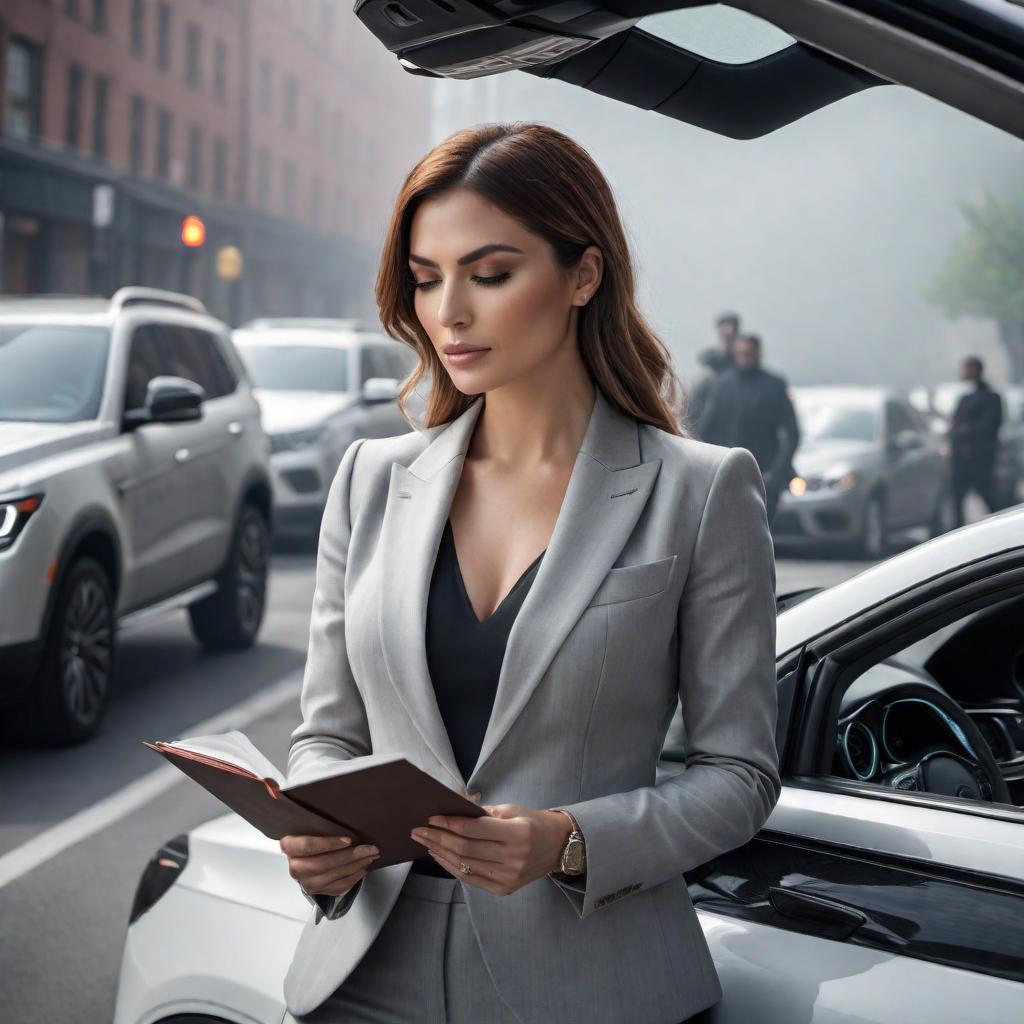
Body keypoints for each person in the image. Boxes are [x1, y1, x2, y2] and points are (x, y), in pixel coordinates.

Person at [278, 123, 780, 1024]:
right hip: (361, 976)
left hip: (590, 983)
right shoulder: (368, 480)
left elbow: (739, 775)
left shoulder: (702, 491)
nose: (449, 314)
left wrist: (567, 841)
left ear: (583, 275)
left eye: (491, 273)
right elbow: (327, 736)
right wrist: (318, 827)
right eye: (427, 280)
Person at [696, 332, 800, 523]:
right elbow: (705, 430)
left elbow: (792, 433)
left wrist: (776, 473)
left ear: (758, 354)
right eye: (740, 353)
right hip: (729, 469)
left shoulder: (774, 385)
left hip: (764, 471)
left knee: (761, 528)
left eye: (748, 353)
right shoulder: (723, 385)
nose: (744, 358)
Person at [949, 355, 1003, 526]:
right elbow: (954, 426)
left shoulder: (991, 398)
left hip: (981, 459)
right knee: (957, 502)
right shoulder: (964, 398)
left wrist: (966, 432)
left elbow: (989, 426)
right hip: (961, 460)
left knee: (988, 497)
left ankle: (1001, 530)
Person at [686, 311, 739, 432]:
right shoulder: (710, 358)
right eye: (725, 326)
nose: (729, 331)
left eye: (732, 327)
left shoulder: (741, 358)